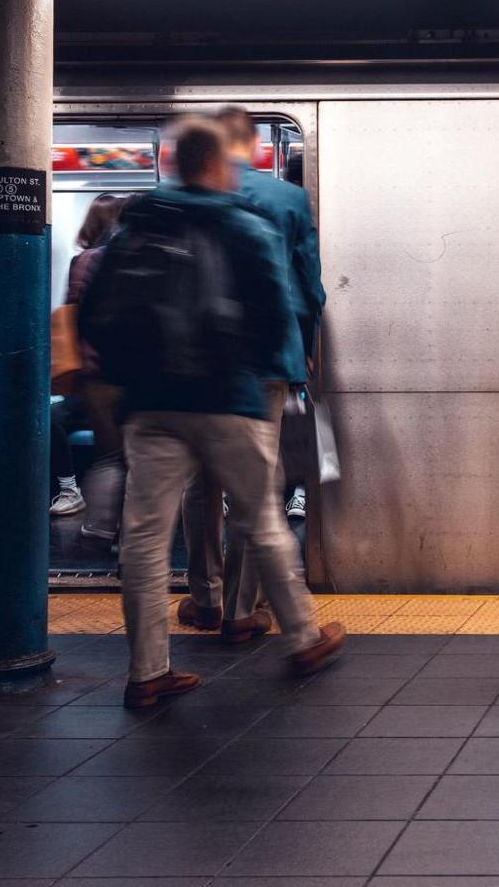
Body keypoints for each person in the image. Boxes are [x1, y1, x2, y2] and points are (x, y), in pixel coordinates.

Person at [79, 118, 344, 708]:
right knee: (262, 515)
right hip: (228, 398)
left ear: (174, 160)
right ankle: (301, 637)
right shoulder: (243, 224)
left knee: (146, 540)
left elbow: (95, 308)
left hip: (151, 406)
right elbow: (281, 308)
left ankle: (148, 672)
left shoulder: (138, 221)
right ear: (219, 162)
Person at [173, 107, 327, 642]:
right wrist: (304, 352)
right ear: (256, 146)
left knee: (200, 483)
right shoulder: (285, 199)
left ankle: (204, 599)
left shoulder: (187, 197)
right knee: (254, 485)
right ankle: (243, 611)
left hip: (198, 363)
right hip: (268, 360)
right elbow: (309, 287)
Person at [49, 193, 129, 519]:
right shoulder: (130, 259)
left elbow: (73, 316)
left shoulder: (81, 263)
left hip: (91, 378)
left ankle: (71, 491)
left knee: (56, 423)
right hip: (123, 378)